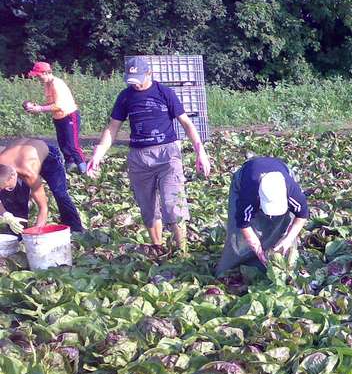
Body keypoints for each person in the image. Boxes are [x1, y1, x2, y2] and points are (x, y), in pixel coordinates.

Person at [87, 56, 212, 253]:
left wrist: (200, 152)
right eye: (131, 80)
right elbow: (112, 128)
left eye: (138, 79)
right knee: (148, 207)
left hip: (167, 155)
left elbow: (186, 124)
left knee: (173, 204)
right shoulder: (125, 96)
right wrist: (98, 154)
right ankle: (158, 248)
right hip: (139, 157)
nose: (135, 85)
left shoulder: (165, 93)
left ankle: (182, 252)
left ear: (149, 74)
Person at [215, 157, 309, 276]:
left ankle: (281, 264)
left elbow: (302, 215)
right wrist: (258, 250)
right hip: (247, 176)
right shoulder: (249, 194)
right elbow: (243, 223)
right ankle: (238, 265)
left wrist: (287, 239)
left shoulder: (292, 192)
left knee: (284, 225)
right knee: (238, 238)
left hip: (280, 169)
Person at [0, 138, 85, 233]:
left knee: (60, 194)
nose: (7, 189)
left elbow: (43, 207)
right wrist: (6, 215)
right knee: (15, 198)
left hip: (49, 157)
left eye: (9, 187)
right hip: (22, 156)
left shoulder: (29, 173)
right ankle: (19, 233)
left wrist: (37, 232)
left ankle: (75, 229)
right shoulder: (2, 167)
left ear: (13, 176)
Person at [23, 62, 87, 172]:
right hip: (58, 117)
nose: (38, 78)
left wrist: (40, 109)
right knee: (63, 145)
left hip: (69, 116)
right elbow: (52, 103)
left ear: (46, 73)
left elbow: (59, 105)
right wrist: (37, 107)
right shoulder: (48, 84)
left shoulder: (57, 84)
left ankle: (84, 170)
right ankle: (70, 168)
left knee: (73, 145)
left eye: (39, 75)